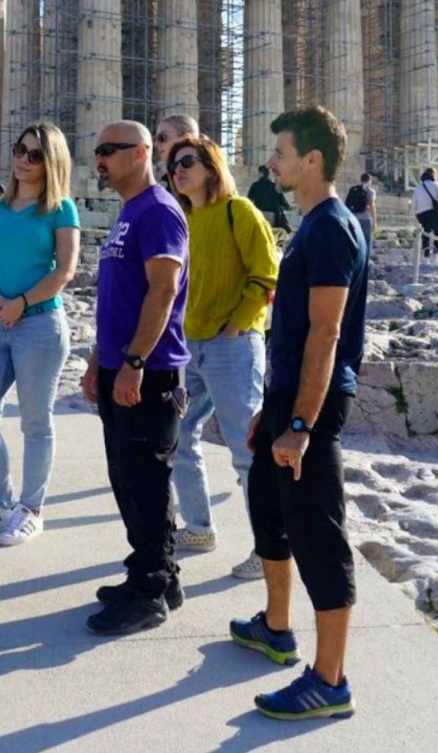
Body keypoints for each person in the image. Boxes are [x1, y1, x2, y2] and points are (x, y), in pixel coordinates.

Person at [229, 104, 367, 722]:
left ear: (313, 160)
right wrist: (271, 410)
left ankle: (330, 679)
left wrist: (303, 424)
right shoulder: (311, 224)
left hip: (313, 402)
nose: (272, 162)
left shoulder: (333, 227)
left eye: (281, 152)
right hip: (286, 396)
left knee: (318, 534)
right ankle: (276, 628)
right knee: (268, 507)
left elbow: (326, 332)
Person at [83, 121, 190, 636]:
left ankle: (149, 592)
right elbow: (117, 299)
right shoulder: (128, 212)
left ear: (143, 153)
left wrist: (134, 363)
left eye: (110, 150)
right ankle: (156, 574)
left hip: (149, 370)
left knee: (146, 480)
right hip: (117, 366)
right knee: (128, 477)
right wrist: (96, 363)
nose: (99, 158)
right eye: (97, 151)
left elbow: (163, 290)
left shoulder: (158, 210)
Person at [0, 121, 80, 546]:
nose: (22, 159)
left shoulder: (61, 209)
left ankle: (31, 508)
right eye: (19, 148)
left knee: (35, 421)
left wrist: (22, 303)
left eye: (34, 154)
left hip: (40, 324)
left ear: (50, 164)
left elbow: (65, 270)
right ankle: (0, 500)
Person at [166, 135, 278, 577]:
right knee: (176, 437)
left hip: (232, 345)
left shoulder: (240, 211)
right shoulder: (179, 219)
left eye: (188, 161)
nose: (178, 169)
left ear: (212, 167)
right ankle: (198, 526)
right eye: (173, 163)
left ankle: (269, 549)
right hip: (186, 346)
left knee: (246, 449)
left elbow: (267, 275)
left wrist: (235, 324)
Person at [410, 167, 438, 263]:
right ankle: (435, 255)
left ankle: (426, 257)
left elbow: (413, 204)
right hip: (433, 213)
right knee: (437, 233)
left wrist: (413, 218)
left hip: (421, 214)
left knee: (425, 235)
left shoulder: (418, 188)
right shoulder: (436, 186)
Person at [153, 113, 198, 190]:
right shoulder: (167, 180)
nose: (156, 144)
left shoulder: (203, 177)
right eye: (155, 139)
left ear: (185, 138)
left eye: (163, 137)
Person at [247, 165, 292, 232]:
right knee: (271, 233)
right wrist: (287, 206)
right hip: (272, 213)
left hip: (259, 212)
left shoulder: (255, 185)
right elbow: (281, 199)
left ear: (261, 173)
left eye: (258, 173)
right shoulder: (273, 185)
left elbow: (249, 200)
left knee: (261, 233)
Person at [344, 173, 376, 256]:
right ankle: (365, 262)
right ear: (370, 181)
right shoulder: (370, 191)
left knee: (355, 240)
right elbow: (371, 205)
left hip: (354, 218)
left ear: (361, 180)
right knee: (366, 241)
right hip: (366, 219)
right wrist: (374, 221)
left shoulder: (354, 190)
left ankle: (355, 260)